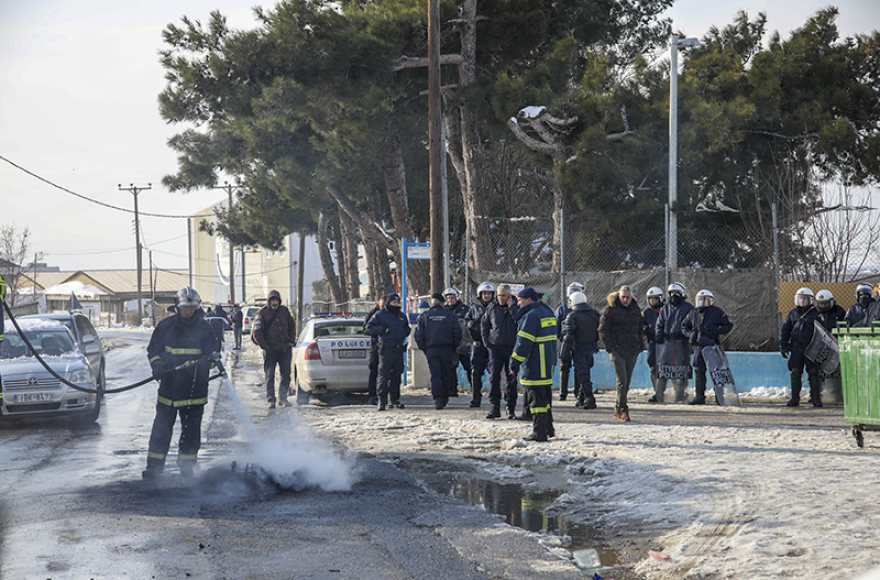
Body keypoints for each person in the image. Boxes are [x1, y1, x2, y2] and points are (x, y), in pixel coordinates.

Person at [143, 286, 217, 479]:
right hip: (169, 387)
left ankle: (187, 467)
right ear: (177, 306)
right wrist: (157, 366)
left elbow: (212, 353)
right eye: (185, 308)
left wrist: (204, 363)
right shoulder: (165, 326)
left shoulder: (204, 327)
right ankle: (154, 468)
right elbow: (153, 351)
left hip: (194, 389)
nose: (188, 312)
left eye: (191, 309)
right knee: (161, 430)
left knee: (191, 433)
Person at [510, 287, 557, 441]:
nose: (518, 303)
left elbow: (523, 343)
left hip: (535, 365)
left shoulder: (531, 316)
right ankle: (548, 428)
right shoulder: (547, 312)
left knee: (536, 402)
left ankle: (539, 433)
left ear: (529, 300)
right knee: (545, 400)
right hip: (547, 364)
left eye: (520, 300)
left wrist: (514, 362)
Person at [598, 285, 644, 422]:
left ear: (631, 297)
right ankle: (624, 410)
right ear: (619, 296)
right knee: (622, 381)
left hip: (632, 349)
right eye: (623, 297)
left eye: (627, 297)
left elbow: (640, 328)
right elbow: (602, 329)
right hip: (618, 350)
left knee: (626, 382)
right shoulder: (610, 310)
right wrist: (610, 347)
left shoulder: (635, 309)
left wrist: (640, 345)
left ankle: (617, 409)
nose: (625, 300)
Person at [681, 290, 733, 405]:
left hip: (712, 346)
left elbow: (728, 325)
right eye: (700, 299)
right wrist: (691, 335)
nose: (702, 302)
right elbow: (684, 326)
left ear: (711, 300)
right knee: (699, 371)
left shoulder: (717, 312)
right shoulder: (693, 312)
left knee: (716, 371)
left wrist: (716, 332)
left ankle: (720, 396)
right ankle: (699, 396)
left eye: (705, 299)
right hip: (698, 347)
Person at [415, 293, 463, 409]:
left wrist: (425, 348)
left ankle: (437, 397)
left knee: (435, 374)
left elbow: (418, 335)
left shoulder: (425, 316)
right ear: (442, 303)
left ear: (432, 303)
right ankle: (444, 397)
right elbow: (457, 333)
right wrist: (452, 347)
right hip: (446, 349)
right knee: (445, 374)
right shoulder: (449, 315)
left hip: (432, 349)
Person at [366, 293, 411, 411]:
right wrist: (382, 330)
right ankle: (381, 400)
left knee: (396, 375)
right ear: (388, 303)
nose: (396, 305)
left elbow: (407, 328)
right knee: (383, 375)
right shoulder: (380, 315)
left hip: (398, 348)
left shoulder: (401, 316)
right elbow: (369, 327)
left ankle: (394, 399)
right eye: (393, 302)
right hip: (386, 348)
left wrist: (403, 332)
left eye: (397, 302)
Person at [252, 290, 297, 408]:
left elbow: (292, 326)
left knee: (286, 374)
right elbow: (256, 331)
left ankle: (283, 398)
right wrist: (265, 346)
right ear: (269, 301)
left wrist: (291, 341)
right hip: (270, 349)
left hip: (285, 348)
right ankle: (271, 400)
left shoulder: (284, 311)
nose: (275, 302)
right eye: (273, 300)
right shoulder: (261, 313)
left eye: (276, 300)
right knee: (270, 375)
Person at [480, 284, 520, 419]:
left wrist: (511, 308)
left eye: (504, 296)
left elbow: (519, 321)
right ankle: (494, 407)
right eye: (499, 295)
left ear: (509, 296)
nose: (501, 298)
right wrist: (487, 344)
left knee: (511, 378)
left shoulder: (516, 307)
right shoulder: (491, 307)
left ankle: (510, 407)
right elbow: (484, 325)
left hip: (511, 348)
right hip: (495, 348)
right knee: (494, 377)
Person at [780, 287, 822, 407]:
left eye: (805, 299)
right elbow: (786, 329)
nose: (802, 301)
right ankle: (794, 399)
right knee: (795, 372)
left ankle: (816, 399)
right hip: (796, 348)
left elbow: (822, 332)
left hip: (811, 347)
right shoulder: (793, 313)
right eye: (800, 298)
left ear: (810, 300)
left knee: (813, 372)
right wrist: (783, 345)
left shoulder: (816, 314)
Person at [654, 283, 694, 404]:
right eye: (672, 294)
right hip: (667, 343)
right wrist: (659, 335)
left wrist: (688, 336)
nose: (674, 296)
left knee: (681, 370)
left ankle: (680, 395)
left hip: (682, 343)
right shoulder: (665, 309)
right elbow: (659, 324)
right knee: (663, 369)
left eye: (676, 294)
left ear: (682, 294)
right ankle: (659, 395)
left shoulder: (689, 308)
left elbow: (692, 324)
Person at [560, 291, 600, 410]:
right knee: (585, 371)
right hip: (591, 347)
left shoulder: (573, 316)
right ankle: (582, 398)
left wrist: (564, 352)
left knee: (583, 373)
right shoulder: (594, 314)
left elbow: (568, 335)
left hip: (579, 347)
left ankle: (589, 397)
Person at [464, 282, 495, 408]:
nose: (486, 296)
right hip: (478, 344)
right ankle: (476, 398)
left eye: (489, 293)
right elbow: (466, 321)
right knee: (475, 371)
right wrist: (471, 325)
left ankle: (495, 399)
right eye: (484, 293)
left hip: (493, 343)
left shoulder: (496, 307)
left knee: (494, 372)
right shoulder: (474, 308)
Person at [556, 282, 584, 402]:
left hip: (578, 341)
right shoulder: (563, 308)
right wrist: (562, 338)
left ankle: (578, 392)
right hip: (566, 341)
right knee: (564, 365)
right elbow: (557, 324)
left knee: (578, 367)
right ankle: (563, 393)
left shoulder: (582, 308)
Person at [444, 287, 469, 399]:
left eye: (452, 298)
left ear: (457, 298)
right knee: (451, 366)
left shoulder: (465, 309)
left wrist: (469, 341)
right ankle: (452, 390)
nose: (450, 300)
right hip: (450, 343)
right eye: (448, 298)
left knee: (469, 366)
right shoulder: (443, 310)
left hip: (464, 343)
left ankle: (476, 392)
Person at [362, 296, 386, 406]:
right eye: (382, 306)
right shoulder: (373, 314)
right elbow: (366, 329)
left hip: (388, 346)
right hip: (376, 346)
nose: (383, 308)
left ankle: (386, 396)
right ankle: (372, 395)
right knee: (374, 371)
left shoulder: (391, 313)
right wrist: (380, 330)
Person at [643, 287, 664, 402]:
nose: (652, 301)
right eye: (650, 299)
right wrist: (644, 330)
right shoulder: (647, 312)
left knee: (666, 367)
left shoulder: (665, 310)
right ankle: (658, 392)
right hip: (652, 343)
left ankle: (677, 392)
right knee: (653, 366)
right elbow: (642, 324)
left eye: (655, 299)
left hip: (664, 343)